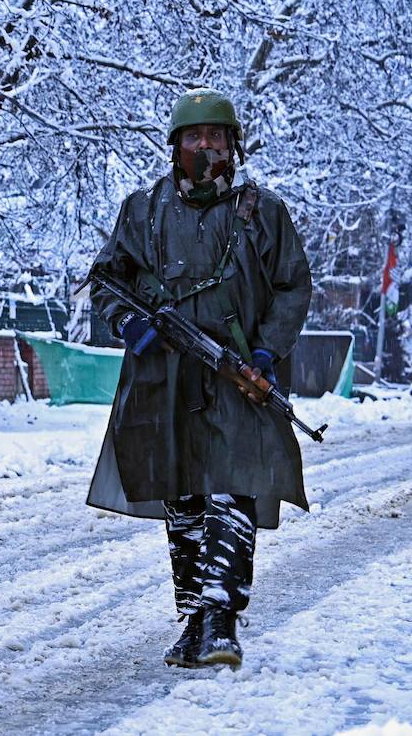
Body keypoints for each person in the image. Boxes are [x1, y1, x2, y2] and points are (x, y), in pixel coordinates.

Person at [87, 87, 313, 669]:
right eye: (194, 136)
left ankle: (221, 618)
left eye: (216, 136)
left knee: (232, 488)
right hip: (165, 377)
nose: (205, 146)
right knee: (183, 495)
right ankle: (192, 618)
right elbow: (107, 281)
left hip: (237, 376)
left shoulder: (264, 213)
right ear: (176, 146)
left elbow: (292, 287)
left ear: (233, 144)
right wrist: (130, 326)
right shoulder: (143, 210)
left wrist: (265, 354)